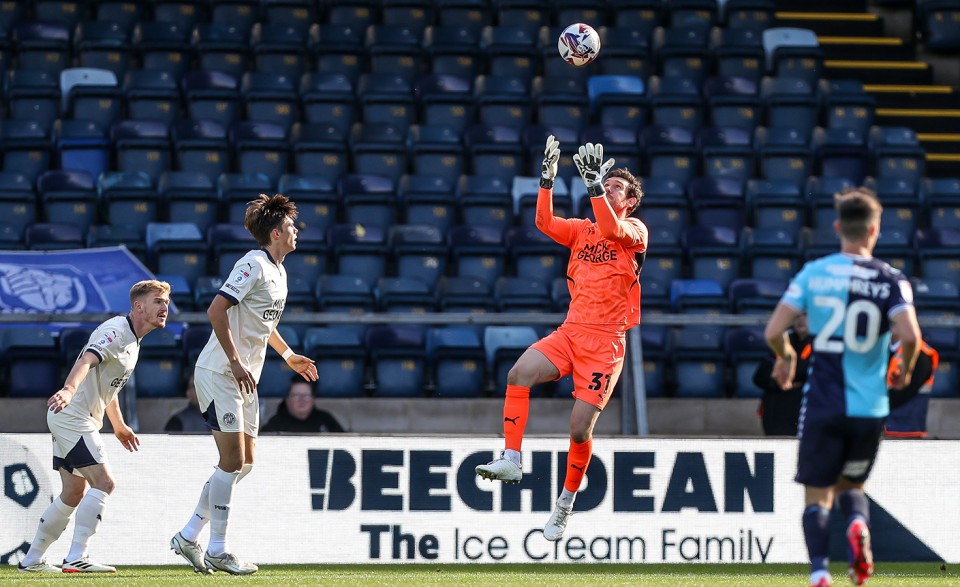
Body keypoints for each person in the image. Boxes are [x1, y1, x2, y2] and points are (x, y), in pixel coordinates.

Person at [475, 137, 648, 542]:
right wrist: (547, 180)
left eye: (616, 188)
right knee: (518, 373)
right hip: (571, 332)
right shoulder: (582, 230)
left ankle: (565, 504)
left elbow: (612, 227)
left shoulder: (635, 230)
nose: (608, 189)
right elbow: (543, 222)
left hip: (606, 344)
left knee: (579, 429)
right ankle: (511, 458)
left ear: (630, 202)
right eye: (606, 184)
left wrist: (593, 187)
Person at [763, 188, 922, 587]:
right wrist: (904, 370)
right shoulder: (892, 279)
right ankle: (856, 524)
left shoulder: (814, 273)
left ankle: (820, 572)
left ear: (837, 227)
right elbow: (911, 336)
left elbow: (774, 331)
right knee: (853, 485)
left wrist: (786, 356)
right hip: (869, 408)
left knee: (817, 494)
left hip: (823, 403)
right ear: (874, 230)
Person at [170, 194, 318, 575]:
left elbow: (264, 325)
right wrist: (235, 361)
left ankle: (188, 535)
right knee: (232, 461)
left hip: (245, 378)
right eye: (290, 226)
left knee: (245, 463)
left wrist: (288, 355)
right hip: (221, 372)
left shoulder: (280, 272)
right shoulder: (252, 264)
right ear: (275, 233)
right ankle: (217, 549)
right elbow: (216, 309)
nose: (296, 231)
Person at [18, 280, 171, 574]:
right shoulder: (116, 331)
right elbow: (87, 360)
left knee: (73, 492)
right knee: (105, 483)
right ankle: (78, 556)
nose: (165, 307)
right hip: (73, 417)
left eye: (166, 302)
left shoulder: (133, 340)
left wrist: (119, 425)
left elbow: (108, 387)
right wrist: (68, 389)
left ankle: (32, 559)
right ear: (139, 306)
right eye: (158, 301)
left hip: (74, 418)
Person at [753, 313, 811, 436]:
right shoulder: (782, 341)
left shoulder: (819, 344)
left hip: (804, 408)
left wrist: (785, 373)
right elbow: (760, 376)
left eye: (805, 316)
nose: (800, 320)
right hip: (776, 410)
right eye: (797, 316)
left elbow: (808, 372)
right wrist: (784, 381)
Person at [885, 330, 939, 438]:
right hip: (881, 428)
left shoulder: (921, 354)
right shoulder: (881, 349)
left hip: (906, 431)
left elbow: (904, 392)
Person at [262, 376, 344, 433]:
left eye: (306, 395)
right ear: (287, 399)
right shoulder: (275, 424)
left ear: (313, 399)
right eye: (296, 395)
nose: (302, 400)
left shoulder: (326, 420)